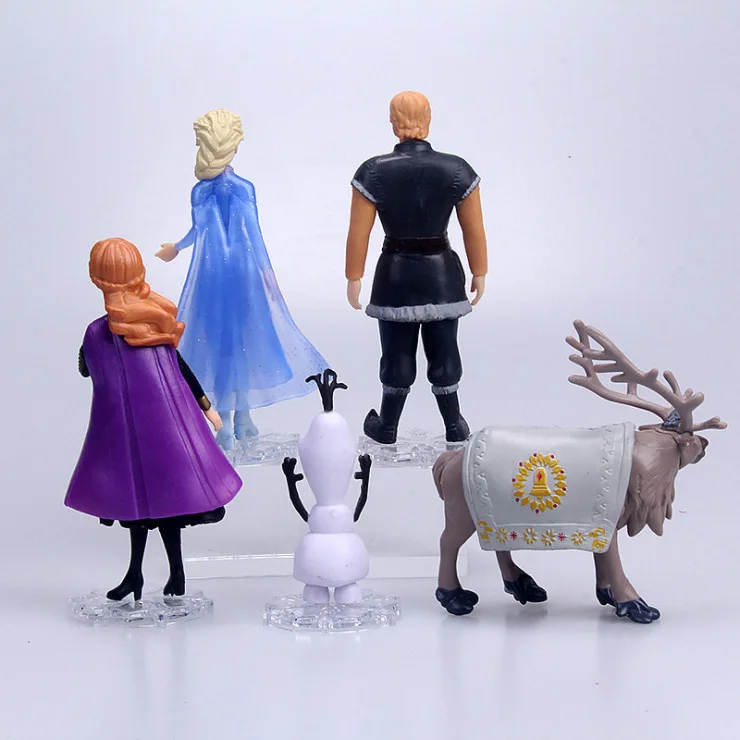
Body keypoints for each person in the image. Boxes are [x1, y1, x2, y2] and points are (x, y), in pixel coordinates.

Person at [65, 238, 243, 601]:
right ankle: (141, 575)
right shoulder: (152, 321)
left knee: (155, 504)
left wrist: (205, 406)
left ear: (97, 278)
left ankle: (172, 573)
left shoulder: (107, 331)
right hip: (142, 435)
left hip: (151, 436)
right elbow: (177, 366)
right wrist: (205, 406)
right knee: (140, 507)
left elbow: (90, 371)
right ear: (138, 274)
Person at [157, 109, 328, 450]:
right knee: (240, 342)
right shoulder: (241, 188)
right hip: (240, 275)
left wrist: (177, 247)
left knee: (222, 344)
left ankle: (232, 421)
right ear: (233, 147)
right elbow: (254, 236)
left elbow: (199, 230)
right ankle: (237, 420)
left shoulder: (200, 191)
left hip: (211, 277)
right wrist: (266, 272)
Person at [345, 91, 488, 444]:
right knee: (445, 350)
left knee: (396, 353)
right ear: (429, 120)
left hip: (395, 277)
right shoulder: (457, 170)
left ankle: (388, 426)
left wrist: (353, 276)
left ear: (393, 123)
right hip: (442, 277)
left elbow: (358, 233)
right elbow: (474, 229)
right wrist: (479, 270)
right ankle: (454, 424)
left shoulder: (373, 171)